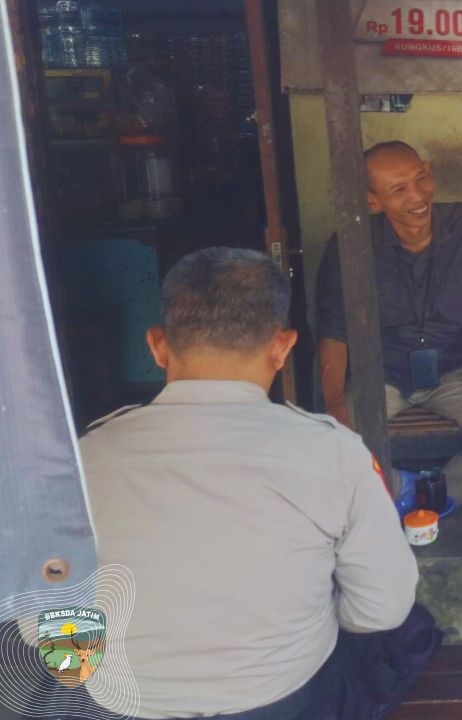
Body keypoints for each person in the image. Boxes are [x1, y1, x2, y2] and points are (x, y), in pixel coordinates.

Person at [78, 248, 439, 719]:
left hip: (118, 705)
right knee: (403, 635)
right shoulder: (334, 454)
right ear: (282, 347)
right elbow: (381, 609)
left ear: (158, 346)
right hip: (285, 703)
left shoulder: (83, 461)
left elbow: (39, 624)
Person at [315, 141, 462, 505]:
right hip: (381, 374)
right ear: (373, 201)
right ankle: (400, 491)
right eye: (399, 190)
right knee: (336, 445)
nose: (418, 195)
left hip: (456, 368)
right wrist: (333, 404)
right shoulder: (351, 244)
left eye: (421, 178)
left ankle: (434, 498)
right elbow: (334, 324)